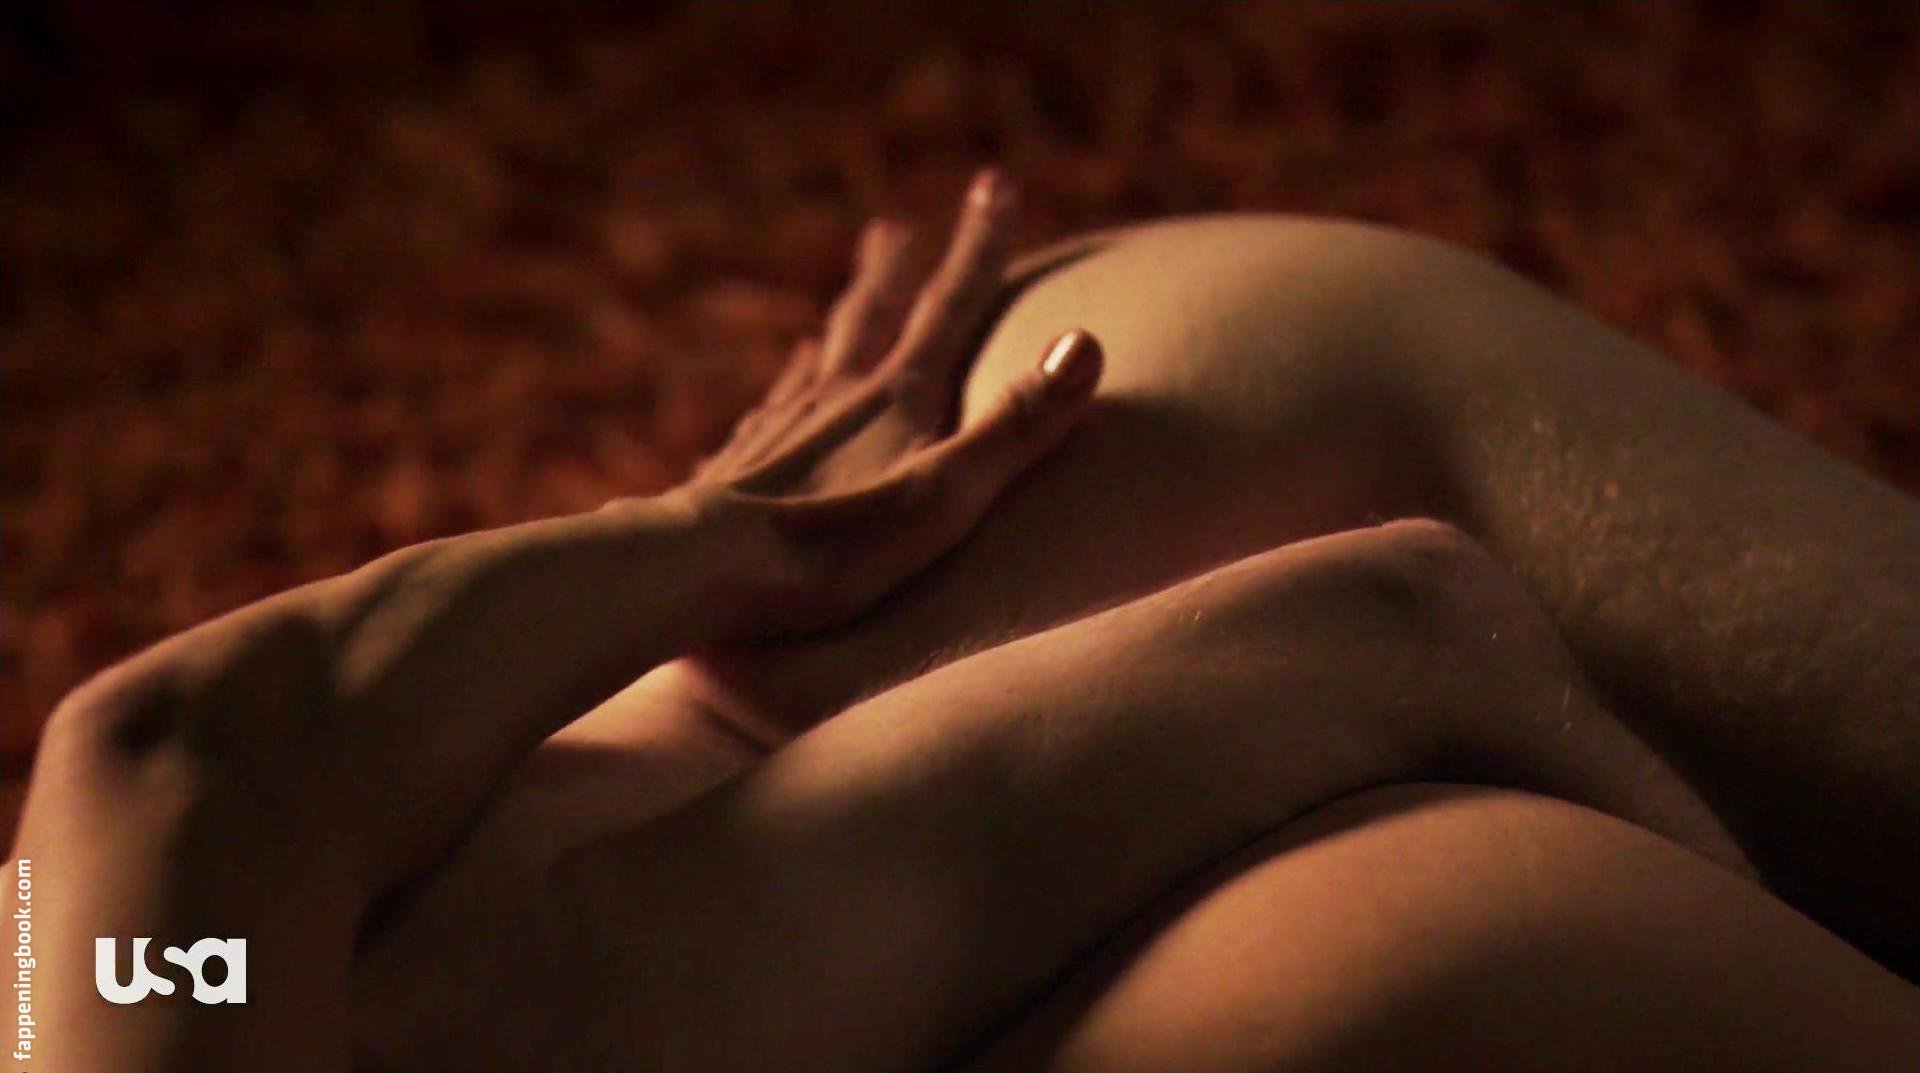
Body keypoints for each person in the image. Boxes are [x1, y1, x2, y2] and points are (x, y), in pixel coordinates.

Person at [12, 171, 1918, 1073]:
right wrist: (695, 554)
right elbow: (167, 773)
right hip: (1003, 588)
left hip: (1057, 625)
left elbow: (163, 823)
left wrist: (713, 555)